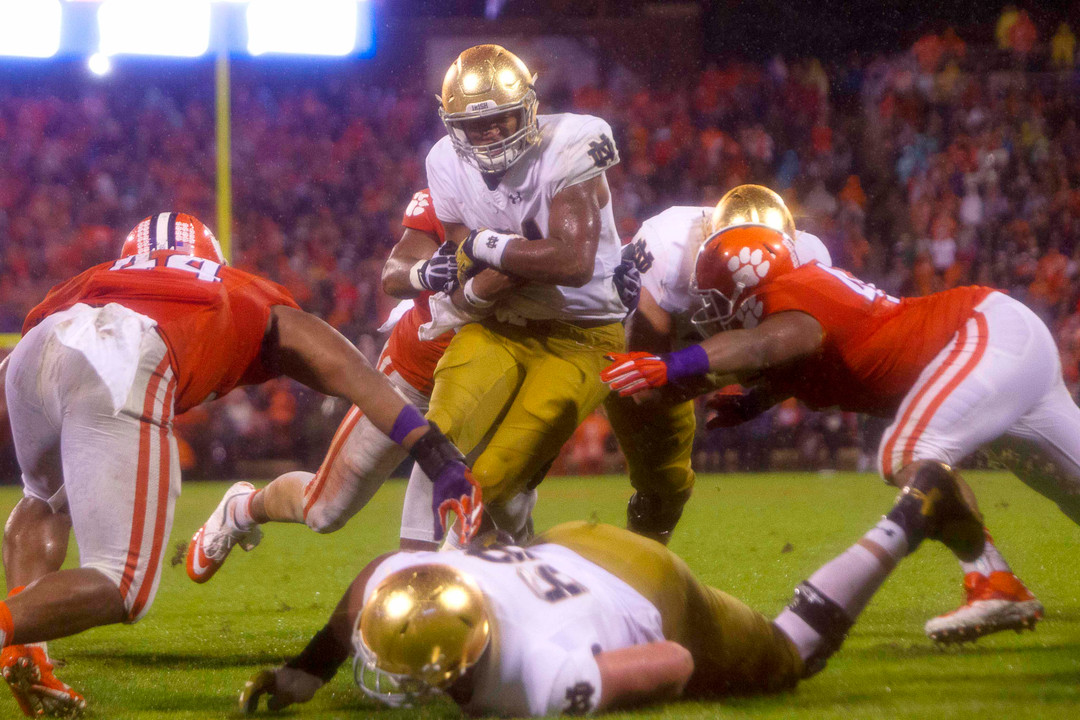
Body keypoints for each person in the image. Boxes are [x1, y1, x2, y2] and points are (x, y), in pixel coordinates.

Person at [0, 213, 480, 717]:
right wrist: (433, 453)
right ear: (210, 257)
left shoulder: (94, 277)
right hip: (122, 351)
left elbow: (15, 367)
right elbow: (353, 374)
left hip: (37, 350)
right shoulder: (238, 288)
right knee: (121, 584)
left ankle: (27, 655)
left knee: (44, 503)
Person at [600, 221, 1080, 643]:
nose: (709, 312)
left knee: (906, 452)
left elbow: (764, 344)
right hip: (1004, 340)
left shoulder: (793, 297)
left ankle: (993, 580)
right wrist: (752, 401)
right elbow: (797, 357)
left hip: (984, 332)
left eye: (716, 298)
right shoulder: (801, 303)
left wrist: (672, 362)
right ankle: (993, 580)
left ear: (747, 282)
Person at [237, 460, 985, 716]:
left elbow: (675, 664)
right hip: (572, 543)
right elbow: (369, 585)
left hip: (648, 592)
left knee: (790, 655)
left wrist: (594, 677)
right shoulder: (412, 581)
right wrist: (306, 673)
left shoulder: (539, 680)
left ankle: (916, 509)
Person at [405, 43, 631, 543]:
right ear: (450, 124)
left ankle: (485, 560)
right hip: (499, 324)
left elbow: (573, 263)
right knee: (435, 439)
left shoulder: (573, 140)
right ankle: (411, 572)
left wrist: (488, 246)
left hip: (583, 334)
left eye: (502, 120)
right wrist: (485, 272)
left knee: (497, 473)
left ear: (527, 108)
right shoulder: (444, 160)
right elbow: (463, 255)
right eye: (474, 125)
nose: (488, 133)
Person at [609, 185, 832, 541]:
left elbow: (799, 357)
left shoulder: (810, 258)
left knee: (666, 496)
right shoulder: (667, 247)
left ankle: (639, 575)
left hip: (693, 353)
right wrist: (742, 368)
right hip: (613, 343)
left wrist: (756, 395)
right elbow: (645, 391)